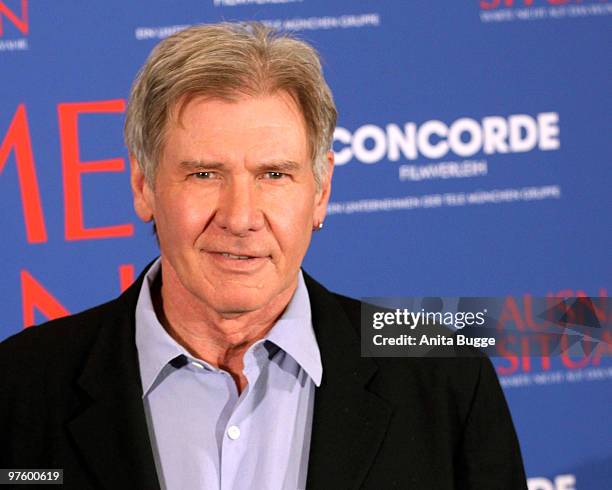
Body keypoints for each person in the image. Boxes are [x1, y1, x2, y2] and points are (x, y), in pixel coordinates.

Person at [0, 22, 527, 490]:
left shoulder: (444, 372)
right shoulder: (20, 384)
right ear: (143, 187)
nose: (240, 216)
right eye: (204, 173)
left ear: (320, 192)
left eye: (274, 175)